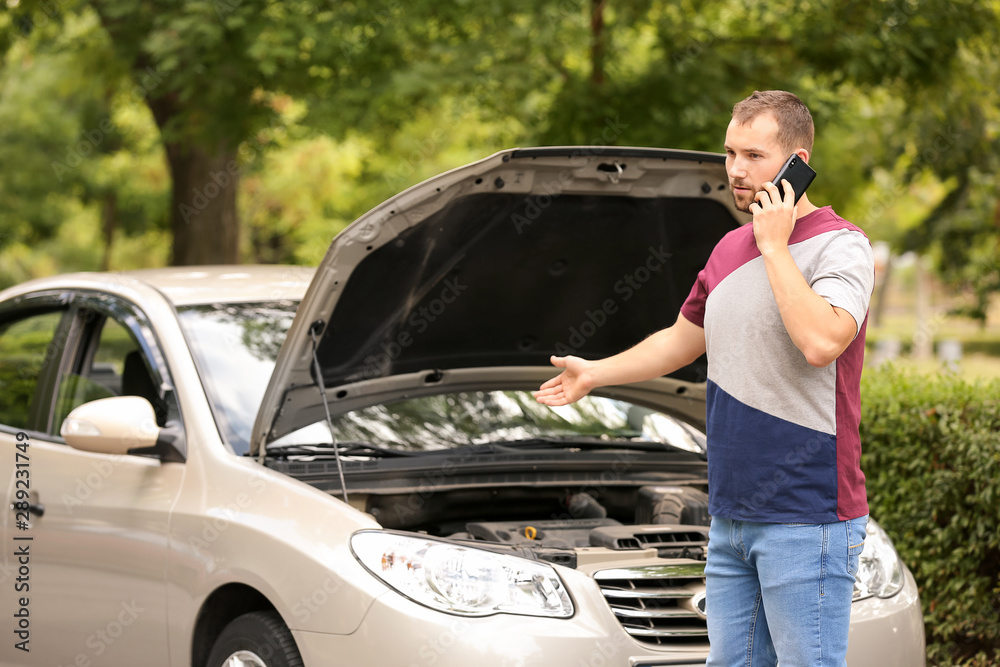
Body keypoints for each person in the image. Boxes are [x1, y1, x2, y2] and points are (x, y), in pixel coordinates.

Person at [534, 90, 875, 667]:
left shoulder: (842, 246)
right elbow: (680, 339)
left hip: (807, 516)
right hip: (731, 515)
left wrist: (775, 246)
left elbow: (822, 342)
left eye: (755, 156)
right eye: (730, 153)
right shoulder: (728, 247)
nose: (737, 171)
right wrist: (596, 372)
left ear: (798, 159)